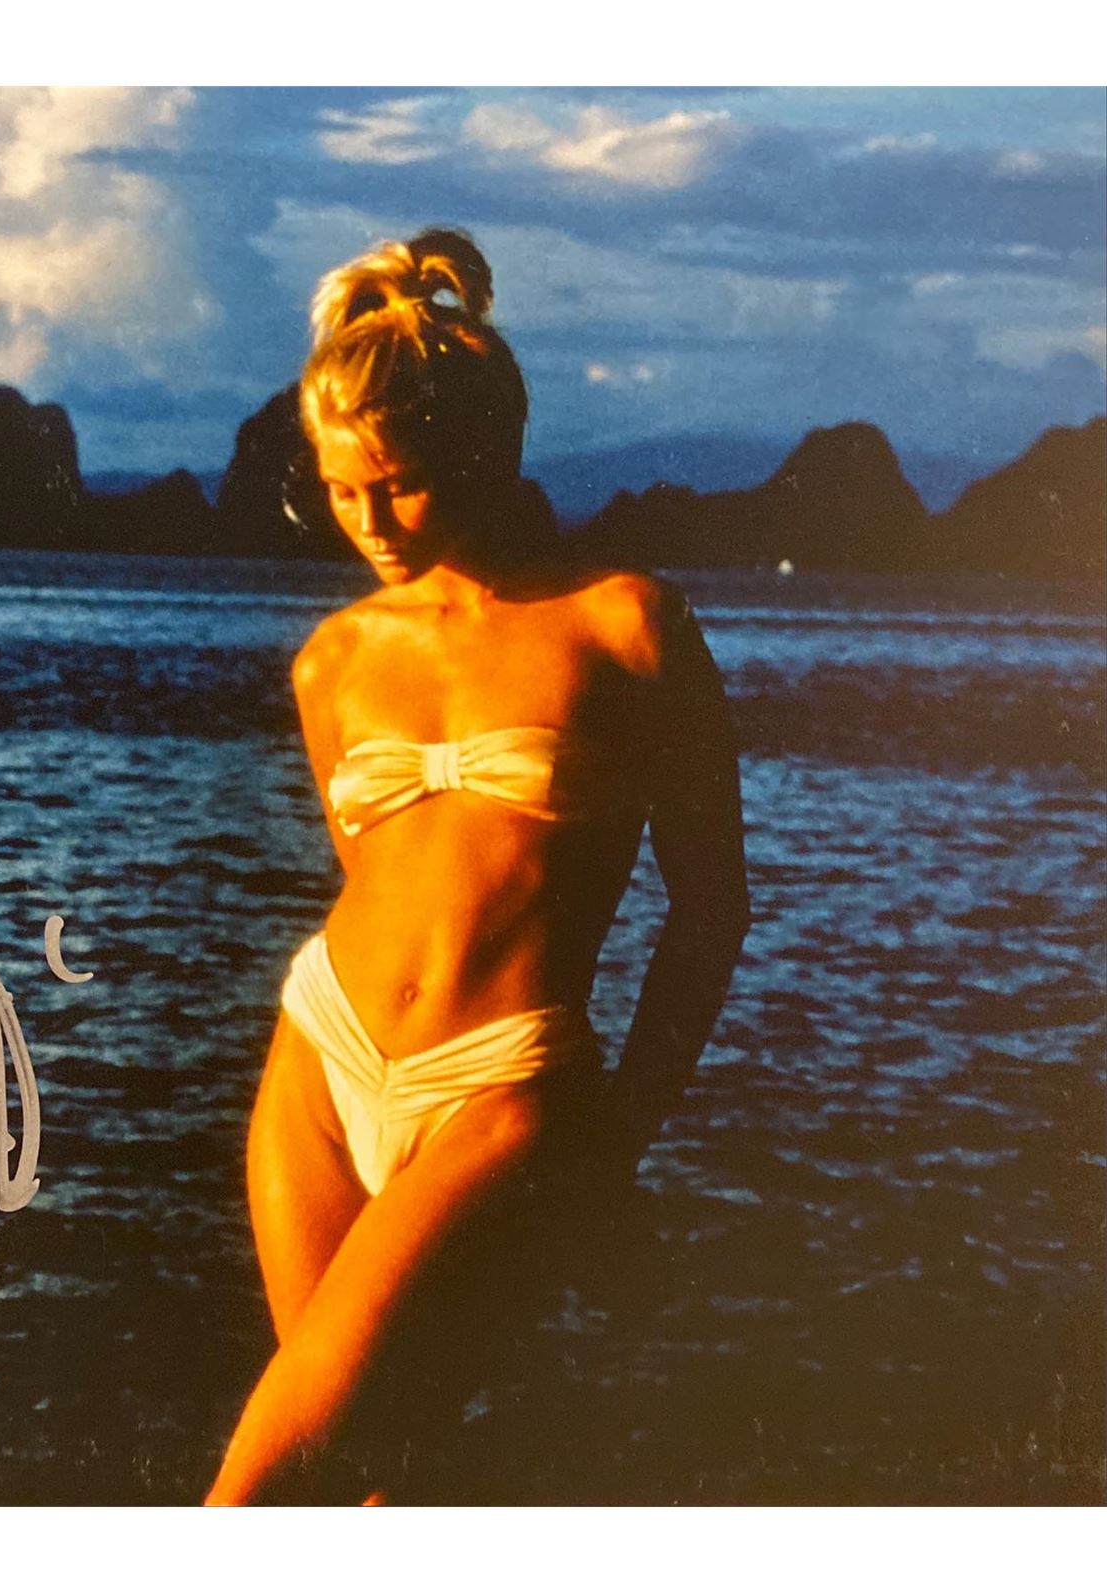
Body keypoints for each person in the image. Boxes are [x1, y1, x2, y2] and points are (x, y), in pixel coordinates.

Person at [205, 228, 750, 1505]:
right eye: (340, 492)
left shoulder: (628, 625)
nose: (369, 523)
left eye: (396, 485)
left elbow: (711, 909)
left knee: (256, 1493)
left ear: (475, 451)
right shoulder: (334, 660)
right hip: (321, 1058)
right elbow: (379, 875)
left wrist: (621, 1137)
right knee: (378, 1488)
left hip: (503, 1086)